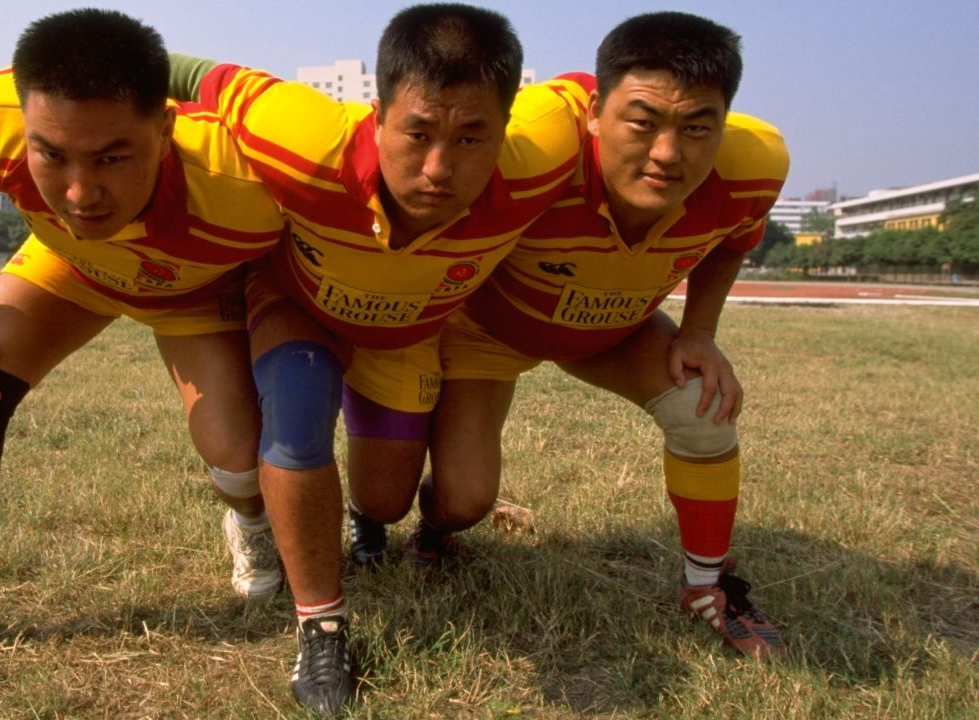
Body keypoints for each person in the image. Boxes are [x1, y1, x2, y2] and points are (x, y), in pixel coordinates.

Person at [0, 9, 287, 697]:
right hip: (70, 266)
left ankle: (250, 521)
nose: (78, 190)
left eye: (111, 157)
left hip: (192, 288)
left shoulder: (245, 182)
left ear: (165, 128)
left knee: (238, 457)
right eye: (51, 154)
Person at [169, 3, 587, 713]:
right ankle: (322, 628)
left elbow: (610, 91)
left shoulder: (544, 153)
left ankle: (371, 520)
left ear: (508, 129)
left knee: (390, 502)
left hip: (406, 331)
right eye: (418, 132)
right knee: (296, 420)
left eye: (471, 138)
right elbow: (187, 71)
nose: (437, 168)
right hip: (299, 303)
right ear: (378, 110)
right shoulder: (300, 135)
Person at [416, 11, 790, 659]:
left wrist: (699, 331)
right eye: (642, 123)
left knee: (702, 408)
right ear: (594, 111)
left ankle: (706, 585)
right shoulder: (529, 148)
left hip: (615, 328)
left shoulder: (753, 164)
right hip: (489, 331)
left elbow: (735, 238)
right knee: (463, 501)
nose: (669, 153)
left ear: (724, 123)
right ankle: (433, 519)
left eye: (698, 126)